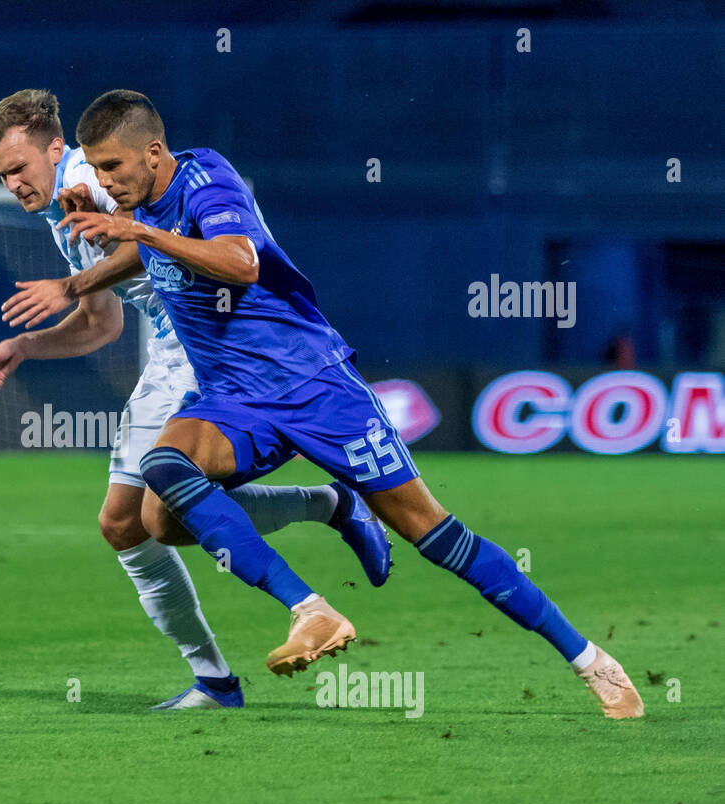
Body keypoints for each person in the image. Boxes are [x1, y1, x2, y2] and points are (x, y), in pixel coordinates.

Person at [55, 89, 642, 718]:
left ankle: (592, 662)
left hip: (315, 387)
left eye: (113, 167)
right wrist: (76, 279)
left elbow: (241, 262)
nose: (105, 181)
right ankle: (312, 608)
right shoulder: (138, 206)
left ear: (153, 151)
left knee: (433, 534)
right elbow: (143, 250)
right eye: (95, 168)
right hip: (231, 397)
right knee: (163, 498)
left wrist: (136, 229)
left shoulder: (208, 181)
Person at [0, 89, 392, 710]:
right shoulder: (67, 212)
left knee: (144, 516)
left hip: (207, 344)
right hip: (169, 354)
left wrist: (81, 271)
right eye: (1, 176)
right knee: (130, 522)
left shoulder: (93, 175)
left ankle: (257, 643)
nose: (11, 185)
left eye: (17, 168)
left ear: (56, 148)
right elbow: (100, 324)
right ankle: (326, 513)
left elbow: (160, 232)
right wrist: (25, 348)